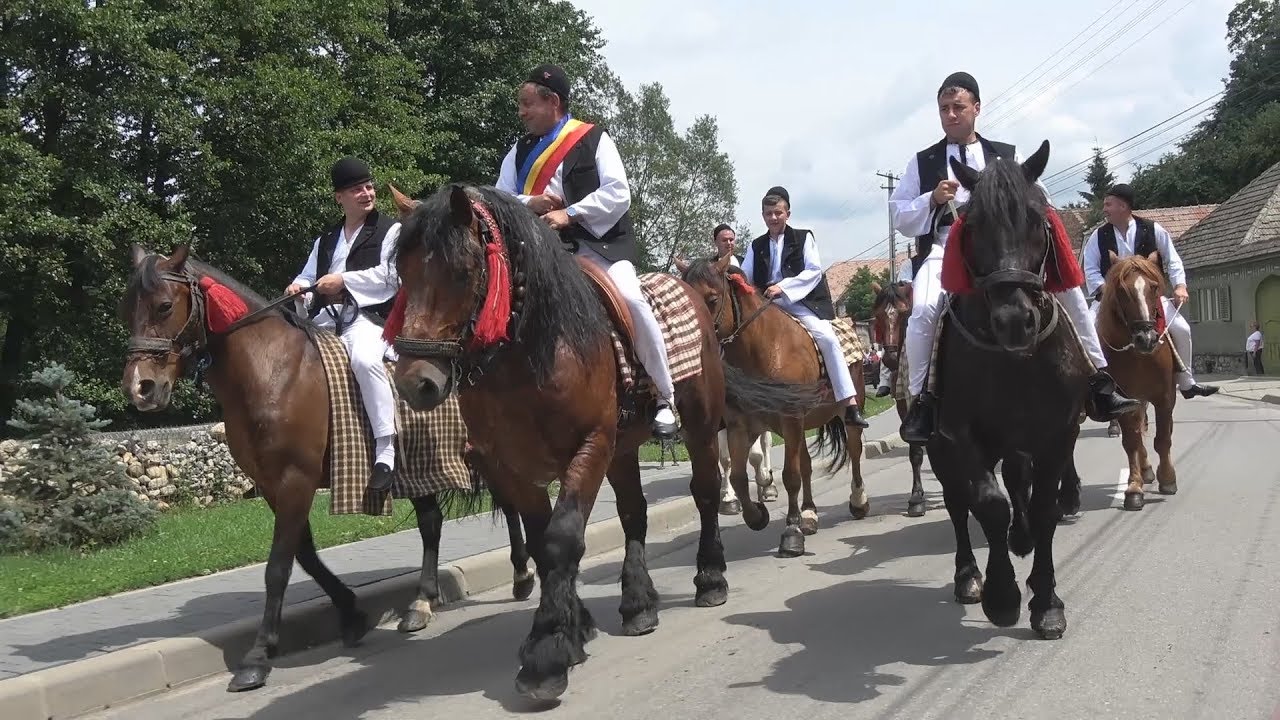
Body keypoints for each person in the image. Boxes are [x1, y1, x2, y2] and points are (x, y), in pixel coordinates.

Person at [889, 71, 1138, 443]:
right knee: (923, 310)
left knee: (1070, 294)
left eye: (958, 107)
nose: (951, 115)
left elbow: (1040, 196)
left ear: (976, 107)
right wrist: (933, 199)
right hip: (947, 247)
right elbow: (900, 218)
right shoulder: (922, 163)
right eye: (944, 108)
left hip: (1009, 249)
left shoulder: (1006, 154)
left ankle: (1099, 381)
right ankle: (923, 401)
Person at [496, 64, 677, 438]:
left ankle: (663, 395)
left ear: (554, 102)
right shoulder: (519, 150)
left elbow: (618, 193)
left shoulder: (594, 139)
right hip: (539, 251)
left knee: (632, 300)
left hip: (599, 246)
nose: (521, 112)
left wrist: (570, 213)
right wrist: (530, 202)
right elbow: (500, 196)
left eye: (527, 104)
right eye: (520, 105)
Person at [287, 156, 401, 492]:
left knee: (365, 360)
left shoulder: (391, 230)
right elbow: (308, 276)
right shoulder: (325, 239)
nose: (367, 193)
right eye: (356, 189)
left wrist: (343, 281)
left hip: (371, 319)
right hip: (325, 320)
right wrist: (297, 289)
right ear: (339, 197)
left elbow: (391, 277)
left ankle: (385, 449)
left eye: (368, 186)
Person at [741, 187, 869, 428]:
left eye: (778, 212)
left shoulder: (803, 237)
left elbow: (813, 271)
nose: (773, 218)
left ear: (787, 213)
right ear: (763, 215)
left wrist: (784, 287)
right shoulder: (756, 245)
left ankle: (848, 401)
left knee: (828, 338)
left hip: (798, 302)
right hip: (765, 306)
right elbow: (746, 276)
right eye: (769, 213)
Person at [1081, 184, 1219, 398]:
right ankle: (1089, 387)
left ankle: (1186, 381)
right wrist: (1107, 291)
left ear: (1123, 206)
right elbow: (1089, 269)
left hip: (1150, 298)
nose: (1105, 209)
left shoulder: (1154, 229)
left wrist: (1180, 285)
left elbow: (1173, 260)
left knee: (1182, 329)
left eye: (1108, 204)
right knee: (1086, 331)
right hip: (1110, 299)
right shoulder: (1097, 236)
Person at [674, 224, 742, 273]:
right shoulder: (707, 265)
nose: (729, 243)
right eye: (724, 240)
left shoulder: (743, 262)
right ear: (715, 242)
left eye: (731, 240)